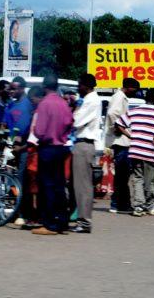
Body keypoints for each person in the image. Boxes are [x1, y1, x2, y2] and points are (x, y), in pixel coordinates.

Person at [116, 89, 154, 217]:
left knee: (137, 178)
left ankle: (138, 206)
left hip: (135, 149)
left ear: (144, 98)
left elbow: (119, 123)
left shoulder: (134, 111)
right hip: (149, 150)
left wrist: (130, 136)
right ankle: (150, 206)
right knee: (150, 179)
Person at [31, 74, 73, 236]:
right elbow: (70, 123)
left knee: (47, 186)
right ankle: (63, 222)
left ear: (44, 87)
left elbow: (39, 131)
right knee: (59, 185)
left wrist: (39, 133)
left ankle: (49, 224)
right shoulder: (64, 104)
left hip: (47, 148)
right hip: (61, 148)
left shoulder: (44, 104)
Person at [70, 73, 101, 233]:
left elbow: (76, 121)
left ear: (86, 86)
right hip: (82, 144)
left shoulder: (91, 101)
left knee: (83, 186)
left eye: (79, 84)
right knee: (81, 185)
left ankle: (85, 221)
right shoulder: (89, 100)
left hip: (84, 144)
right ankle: (82, 220)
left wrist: (73, 108)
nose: (78, 88)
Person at [105, 78, 140, 213]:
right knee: (122, 175)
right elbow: (112, 114)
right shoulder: (119, 97)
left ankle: (122, 204)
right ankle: (117, 204)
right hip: (121, 142)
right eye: (135, 89)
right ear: (128, 87)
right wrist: (119, 128)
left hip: (122, 141)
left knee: (123, 175)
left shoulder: (121, 97)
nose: (136, 92)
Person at [20, 86, 45, 228]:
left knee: (34, 188)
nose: (31, 102)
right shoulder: (38, 112)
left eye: (32, 99)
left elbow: (34, 137)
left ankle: (35, 217)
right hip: (35, 153)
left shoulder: (38, 113)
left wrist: (21, 148)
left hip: (35, 153)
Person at [4, 76, 34, 184]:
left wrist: (21, 141)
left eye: (14, 89)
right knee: (8, 173)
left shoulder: (29, 104)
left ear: (22, 89)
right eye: (10, 88)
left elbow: (29, 126)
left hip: (24, 145)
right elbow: (5, 124)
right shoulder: (10, 105)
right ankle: (10, 197)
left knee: (22, 175)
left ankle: (20, 199)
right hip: (11, 143)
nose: (11, 91)